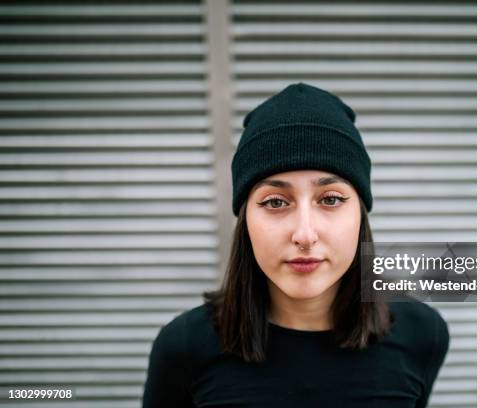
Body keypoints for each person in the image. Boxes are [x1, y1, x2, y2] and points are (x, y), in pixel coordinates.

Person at [142, 82, 450, 408]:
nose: (304, 234)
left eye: (330, 199)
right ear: (245, 220)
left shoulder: (423, 334)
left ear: (360, 215)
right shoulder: (183, 347)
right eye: (276, 202)